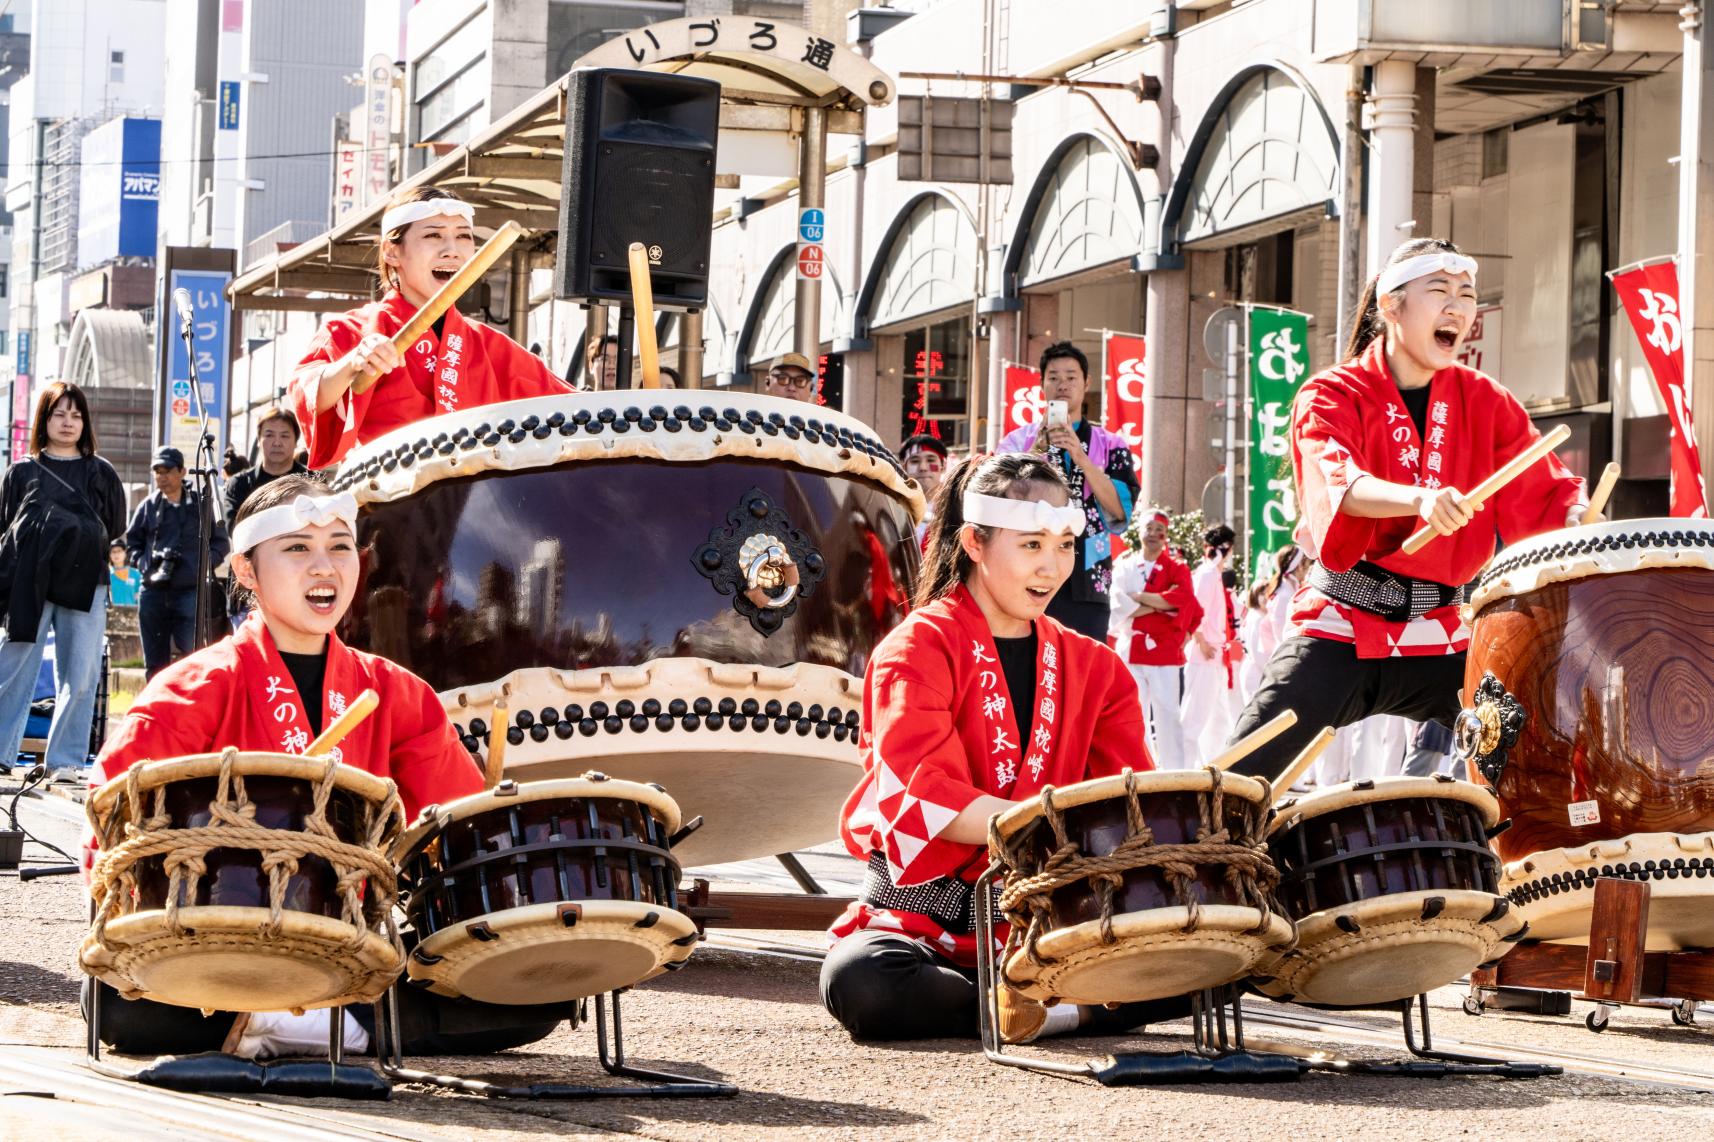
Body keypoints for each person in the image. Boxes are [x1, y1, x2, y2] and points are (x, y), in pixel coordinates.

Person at [85, 473, 570, 1059]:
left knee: (536, 998)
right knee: (120, 1008)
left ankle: (281, 1021)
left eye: (340, 546)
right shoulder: (200, 684)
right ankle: (337, 1023)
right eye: (297, 548)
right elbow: (110, 815)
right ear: (246, 571)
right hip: (212, 937)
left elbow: (457, 823)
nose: (325, 567)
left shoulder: (395, 692)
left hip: (344, 941)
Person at [821, 453, 1168, 1044]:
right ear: (974, 544)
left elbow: (1125, 806)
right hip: (921, 923)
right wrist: (1050, 823)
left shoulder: (1099, 668)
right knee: (866, 983)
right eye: (1031, 545)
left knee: (1214, 958)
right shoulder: (917, 650)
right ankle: (1056, 1013)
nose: (1052, 567)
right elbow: (922, 798)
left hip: (1046, 927)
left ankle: (1035, 1010)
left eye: (1063, 546)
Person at [1226, 239, 1588, 780]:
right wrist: (1419, 498)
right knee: (1242, 771)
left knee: (1541, 762)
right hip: (1343, 621)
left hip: (1448, 629)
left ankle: (1518, 863)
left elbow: (1547, 494)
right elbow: (1339, 483)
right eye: (1439, 291)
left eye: (1466, 295)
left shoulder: (1487, 400)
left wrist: (1582, 520)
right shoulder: (1331, 393)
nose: (1458, 308)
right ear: (1391, 306)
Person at [287, 186, 574, 469]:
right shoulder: (353, 330)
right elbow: (307, 393)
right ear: (391, 251)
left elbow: (574, 409)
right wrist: (353, 363)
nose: (452, 250)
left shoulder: (489, 345)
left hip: (473, 504)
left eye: (463, 236)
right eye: (433, 235)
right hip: (384, 503)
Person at [0, 382, 127, 778]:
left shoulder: (100, 472)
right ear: (44, 419)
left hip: (86, 580)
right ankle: (2, 754)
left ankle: (66, 761)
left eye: (76, 415)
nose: (68, 422)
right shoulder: (20, 471)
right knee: (13, 666)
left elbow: (115, 524)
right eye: (59, 414)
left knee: (82, 671)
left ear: (85, 422)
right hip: (28, 583)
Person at [995, 342, 1138, 641]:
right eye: (1054, 377)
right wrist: (1036, 450)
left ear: (1086, 383)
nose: (1063, 385)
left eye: (1071, 377)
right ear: (1042, 383)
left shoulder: (1112, 445)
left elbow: (1121, 512)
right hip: (1024, 572)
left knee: (1084, 673)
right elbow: (999, 501)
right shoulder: (1016, 441)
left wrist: (1082, 457)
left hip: (1089, 577)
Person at [125, 446, 230, 678]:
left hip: (189, 591)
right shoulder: (148, 506)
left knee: (193, 658)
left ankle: (190, 709)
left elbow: (222, 543)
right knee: (154, 663)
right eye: (157, 471)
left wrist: (201, 565)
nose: (162, 477)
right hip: (153, 591)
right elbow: (131, 544)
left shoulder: (200, 505)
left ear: (182, 472)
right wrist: (145, 564)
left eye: (168, 470)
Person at [1109, 510, 1201, 770]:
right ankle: (1139, 767)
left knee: (1168, 712)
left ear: (1166, 537)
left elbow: (1183, 601)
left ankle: (1174, 772)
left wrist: (1137, 597)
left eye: (1159, 529)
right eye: (1148, 528)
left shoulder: (1177, 568)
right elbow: (1119, 604)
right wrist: (1161, 602)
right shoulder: (1125, 566)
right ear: (1139, 531)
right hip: (1131, 646)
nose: (1153, 534)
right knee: (1133, 711)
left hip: (1164, 650)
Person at [1180, 525, 1240, 767]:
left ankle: (1212, 769)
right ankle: (1181, 773)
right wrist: (1202, 641)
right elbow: (1194, 611)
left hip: (1213, 654)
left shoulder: (1212, 574)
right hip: (1204, 653)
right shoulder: (1206, 574)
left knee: (1217, 720)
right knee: (1193, 720)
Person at [222, 407, 309, 524]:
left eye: (284, 436)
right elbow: (235, 529)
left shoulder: (312, 481)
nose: (277, 443)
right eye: (269, 435)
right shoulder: (239, 485)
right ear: (258, 440)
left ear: (296, 441)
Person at [899, 433, 949, 548]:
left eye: (930, 460)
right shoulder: (894, 507)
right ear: (903, 467)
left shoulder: (957, 506)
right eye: (915, 461)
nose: (923, 467)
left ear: (943, 466)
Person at [107, 542, 140, 609]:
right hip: (112, 615)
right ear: (110, 555)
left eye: (119, 551)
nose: (116, 554)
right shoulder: (107, 574)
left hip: (132, 615)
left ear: (125, 553)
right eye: (113, 552)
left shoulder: (136, 574)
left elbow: (139, 598)